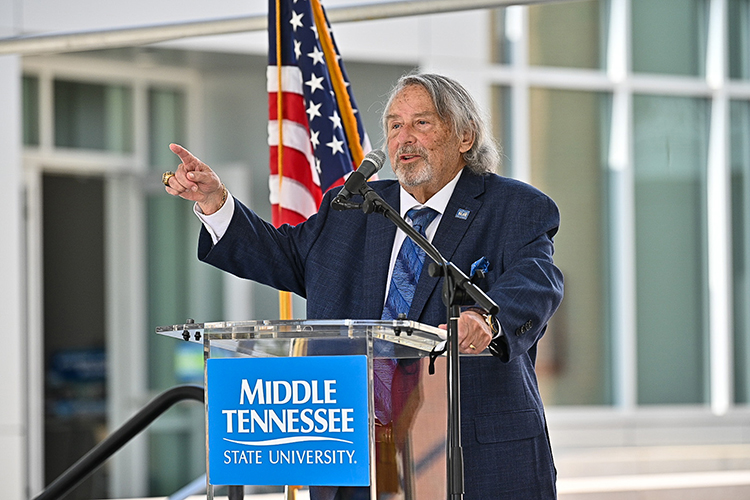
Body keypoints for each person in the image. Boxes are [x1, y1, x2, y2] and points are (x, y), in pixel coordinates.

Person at [163, 72, 564, 499]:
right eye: (394, 125)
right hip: (351, 454)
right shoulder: (352, 209)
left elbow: (536, 280)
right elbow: (282, 256)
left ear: (464, 136)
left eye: (421, 123)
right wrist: (216, 203)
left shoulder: (515, 207)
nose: (403, 139)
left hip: (469, 458)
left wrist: (486, 317)